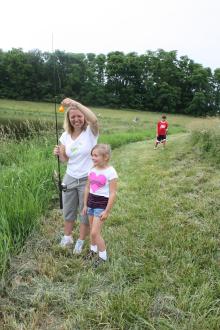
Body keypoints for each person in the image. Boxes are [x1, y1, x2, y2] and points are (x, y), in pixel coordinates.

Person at [53, 97, 99, 253]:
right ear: (68, 119)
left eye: (79, 116)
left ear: (83, 117)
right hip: (70, 177)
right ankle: (67, 237)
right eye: (73, 117)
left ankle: (80, 240)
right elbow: (65, 160)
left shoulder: (91, 132)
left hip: (87, 179)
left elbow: (94, 119)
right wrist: (59, 154)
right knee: (68, 209)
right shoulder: (64, 136)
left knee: (85, 211)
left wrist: (76, 103)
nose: (76, 119)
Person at [82, 144, 118, 267]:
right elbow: (87, 187)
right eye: (92, 155)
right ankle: (93, 250)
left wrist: (107, 211)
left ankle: (103, 257)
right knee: (92, 228)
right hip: (91, 201)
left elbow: (113, 193)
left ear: (106, 157)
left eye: (96, 155)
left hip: (101, 203)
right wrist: (85, 204)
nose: (93, 158)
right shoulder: (92, 169)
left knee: (94, 233)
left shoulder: (111, 171)